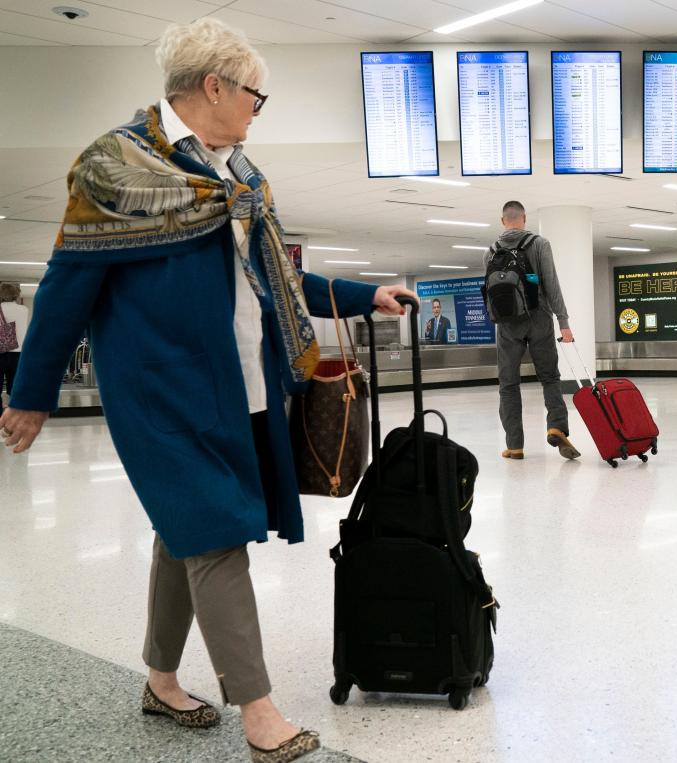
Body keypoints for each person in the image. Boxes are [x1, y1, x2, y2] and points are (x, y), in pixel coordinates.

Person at [0, 18, 418, 763]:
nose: (260, 107)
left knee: (184, 530)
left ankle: (160, 678)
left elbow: (278, 281)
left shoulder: (240, 175)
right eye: (257, 93)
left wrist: (364, 295)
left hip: (243, 385)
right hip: (161, 395)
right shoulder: (114, 167)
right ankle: (258, 711)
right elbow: (66, 286)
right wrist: (32, 392)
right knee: (217, 531)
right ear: (215, 86)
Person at [487, 200, 579, 461]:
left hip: (506, 325)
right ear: (524, 219)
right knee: (549, 377)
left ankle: (515, 446)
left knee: (508, 385)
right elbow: (552, 285)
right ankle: (556, 426)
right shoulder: (539, 244)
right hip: (538, 318)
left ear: (503, 220)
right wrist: (564, 322)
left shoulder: (490, 252)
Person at [0, 283, 27, 415]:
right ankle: (13, 416)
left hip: (0, 352)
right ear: (17, 294)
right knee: (14, 387)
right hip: (18, 354)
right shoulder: (24, 310)